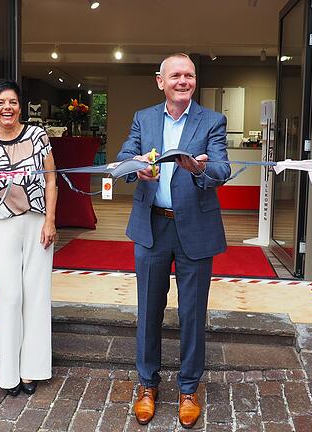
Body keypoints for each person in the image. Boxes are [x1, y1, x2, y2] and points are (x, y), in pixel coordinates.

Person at [117, 53, 230, 429]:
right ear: (160, 81)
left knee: (192, 313)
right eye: (176, 75)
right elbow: (122, 160)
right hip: (151, 227)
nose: (184, 81)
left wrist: (199, 169)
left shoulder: (212, 120)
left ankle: (188, 389)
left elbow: (222, 168)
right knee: (148, 310)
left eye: (189, 75)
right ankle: (147, 385)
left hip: (195, 228)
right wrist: (138, 168)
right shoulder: (143, 118)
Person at [0, 79, 57, 397]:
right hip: (0, 224)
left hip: (37, 221)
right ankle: (8, 371)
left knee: (36, 295)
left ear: (19, 106)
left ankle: (32, 369)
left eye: (12, 101)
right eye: (0, 102)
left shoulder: (38, 136)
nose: (7, 107)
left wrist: (50, 220)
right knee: (8, 297)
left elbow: (52, 179)